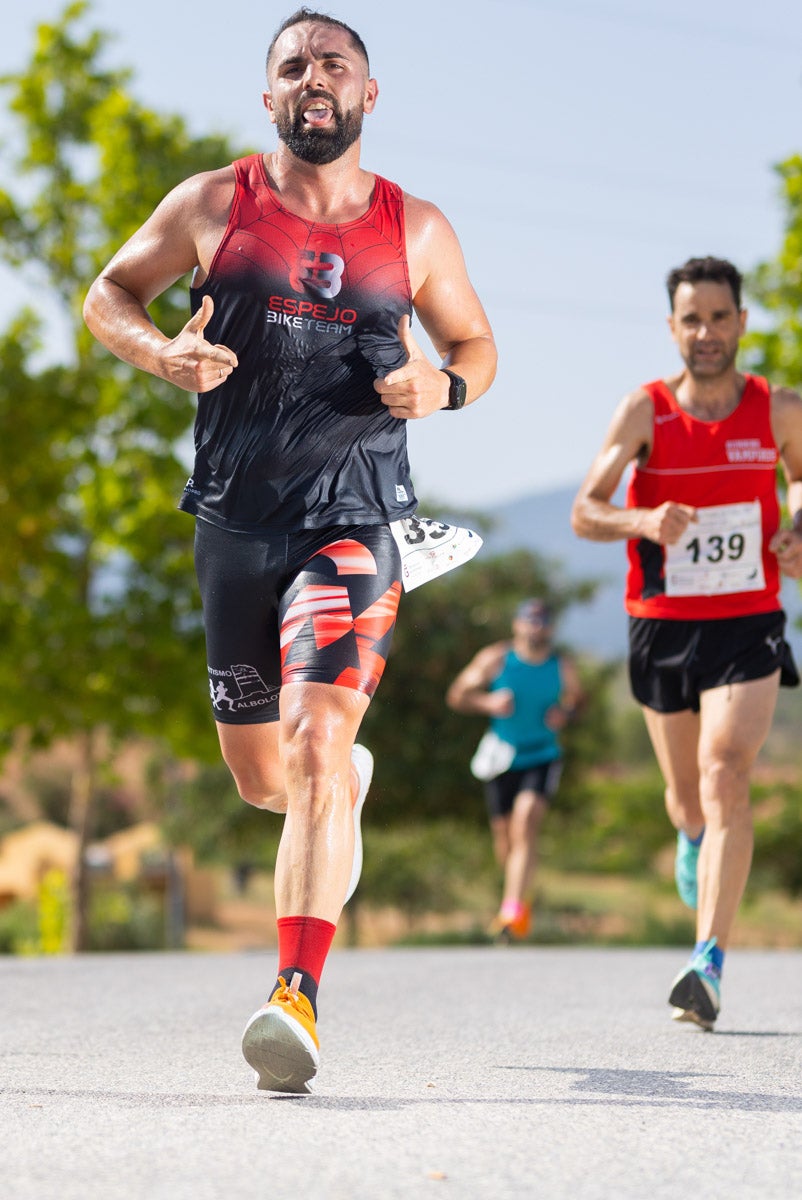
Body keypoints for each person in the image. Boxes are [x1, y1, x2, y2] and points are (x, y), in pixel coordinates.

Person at [83, 7, 496, 1091]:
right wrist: (160, 351)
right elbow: (106, 294)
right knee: (266, 779)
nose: (315, 78)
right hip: (233, 524)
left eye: (335, 64)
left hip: (354, 520)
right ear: (268, 97)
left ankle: (294, 995)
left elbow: (477, 346)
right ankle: (334, 785)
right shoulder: (213, 205)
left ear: (369, 95)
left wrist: (440, 387)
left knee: (317, 744)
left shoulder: (418, 228)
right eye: (293, 66)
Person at [571, 255, 802, 1030]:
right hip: (663, 622)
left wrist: (798, 525)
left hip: (748, 620)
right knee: (687, 796)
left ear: (742, 321)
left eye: (719, 315)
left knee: (725, 771)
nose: (706, 332)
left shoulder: (778, 409)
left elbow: (801, 481)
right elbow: (584, 510)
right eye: (691, 319)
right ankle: (690, 835)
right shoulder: (645, 412)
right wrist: (642, 519)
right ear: (673, 329)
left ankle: (709, 959)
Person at [446, 599, 584, 941]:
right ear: (517, 625)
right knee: (505, 841)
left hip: (543, 754)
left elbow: (579, 700)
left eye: (542, 622)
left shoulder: (561, 665)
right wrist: (487, 702)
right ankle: (520, 896)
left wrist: (565, 714)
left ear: (550, 628)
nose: (536, 628)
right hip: (502, 756)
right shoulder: (496, 659)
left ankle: (511, 912)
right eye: (530, 621)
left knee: (526, 823)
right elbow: (458, 695)